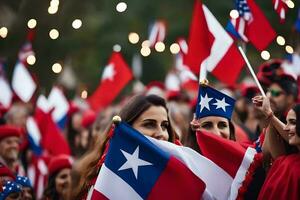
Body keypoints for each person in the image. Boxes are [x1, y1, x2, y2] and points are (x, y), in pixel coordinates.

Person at [71, 94, 177, 199]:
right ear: (126, 130)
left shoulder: (177, 172)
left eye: (164, 126)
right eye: (149, 124)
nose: (161, 133)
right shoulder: (105, 179)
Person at [252, 95, 300, 199]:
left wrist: (271, 115)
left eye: (293, 122)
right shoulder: (286, 163)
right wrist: (270, 115)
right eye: (286, 123)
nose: (286, 128)